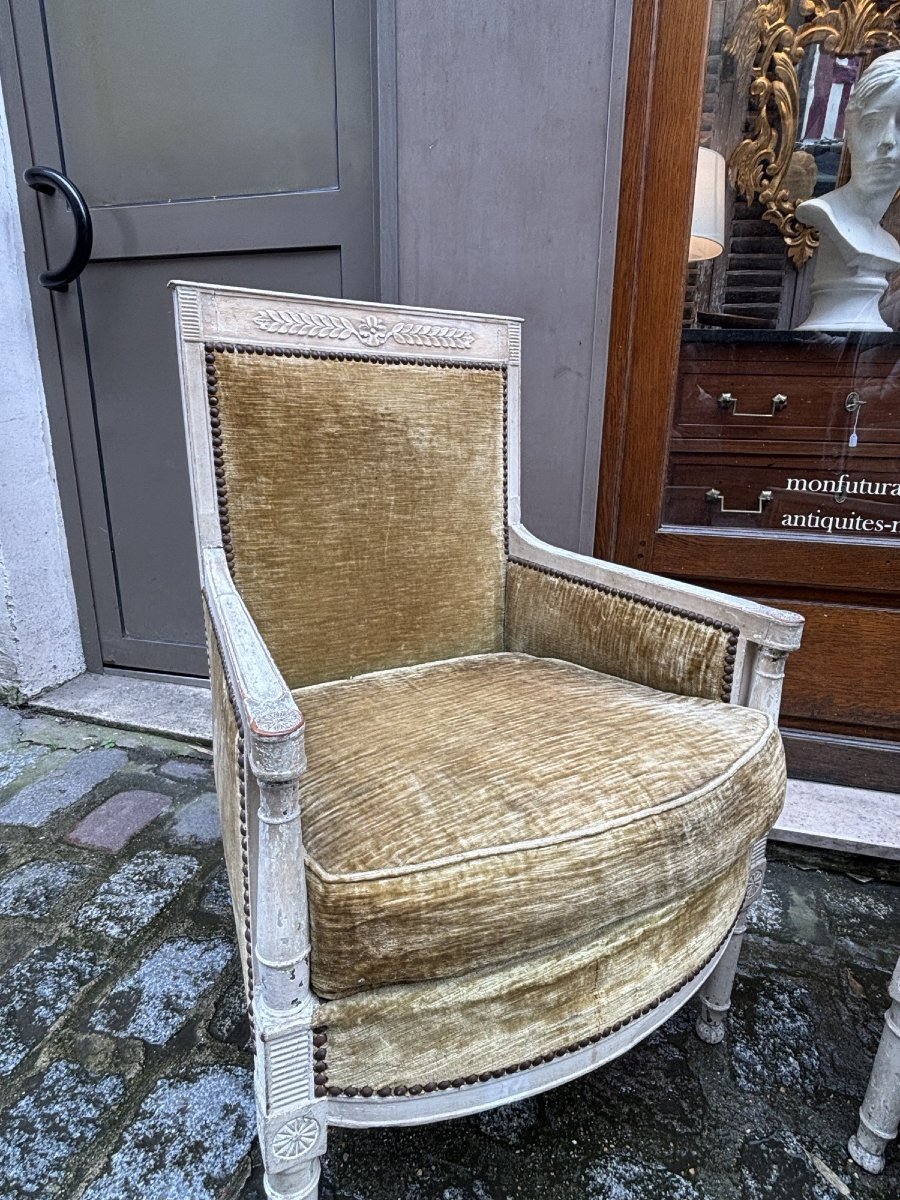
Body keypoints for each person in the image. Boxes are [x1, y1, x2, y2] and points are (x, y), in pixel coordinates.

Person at [795, 50, 900, 331]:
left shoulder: (889, 243)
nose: (888, 141)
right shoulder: (825, 213)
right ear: (850, 133)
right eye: (873, 123)